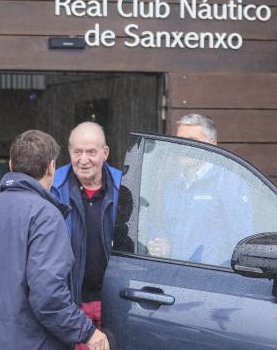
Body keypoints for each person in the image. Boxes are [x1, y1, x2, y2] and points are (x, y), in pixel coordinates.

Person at [0, 130, 109, 350]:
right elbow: (48, 294)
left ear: (10, 164)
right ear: (51, 167)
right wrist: (87, 331)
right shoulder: (46, 215)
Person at [146, 113, 253, 266]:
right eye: (181, 140)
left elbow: (242, 244)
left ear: (212, 145)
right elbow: (158, 225)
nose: (185, 147)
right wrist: (162, 242)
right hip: (173, 277)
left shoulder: (229, 184)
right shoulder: (173, 187)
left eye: (193, 141)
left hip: (212, 281)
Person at [51, 122, 121, 350]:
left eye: (91, 152)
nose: (83, 159)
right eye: (77, 152)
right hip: (69, 305)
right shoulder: (52, 187)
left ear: (105, 153)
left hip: (115, 303)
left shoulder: (126, 186)